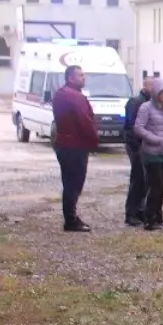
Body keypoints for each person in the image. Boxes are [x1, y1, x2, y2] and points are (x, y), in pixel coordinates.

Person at [52, 64, 99, 232]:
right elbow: (84, 120)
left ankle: (70, 217)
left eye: (83, 75)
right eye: (80, 75)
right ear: (70, 78)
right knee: (74, 183)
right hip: (74, 145)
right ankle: (71, 220)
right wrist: (94, 140)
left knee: (69, 182)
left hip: (64, 144)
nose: (83, 78)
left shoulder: (61, 94)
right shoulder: (74, 97)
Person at [134, 77, 163, 231]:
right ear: (156, 92)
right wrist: (157, 140)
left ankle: (158, 216)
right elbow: (138, 128)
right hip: (151, 154)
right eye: (162, 92)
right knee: (155, 186)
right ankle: (149, 219)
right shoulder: (146, 108)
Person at [123, 75, 153, 227]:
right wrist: (136, 148)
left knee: (146, 181)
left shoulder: (151, 103)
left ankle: (140, 209)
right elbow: (130, 127)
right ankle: (131, 213)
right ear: (145, 86)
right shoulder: (135, 102)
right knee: (137, 179)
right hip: (137, 147)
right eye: (152, 86)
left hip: (148, 148)